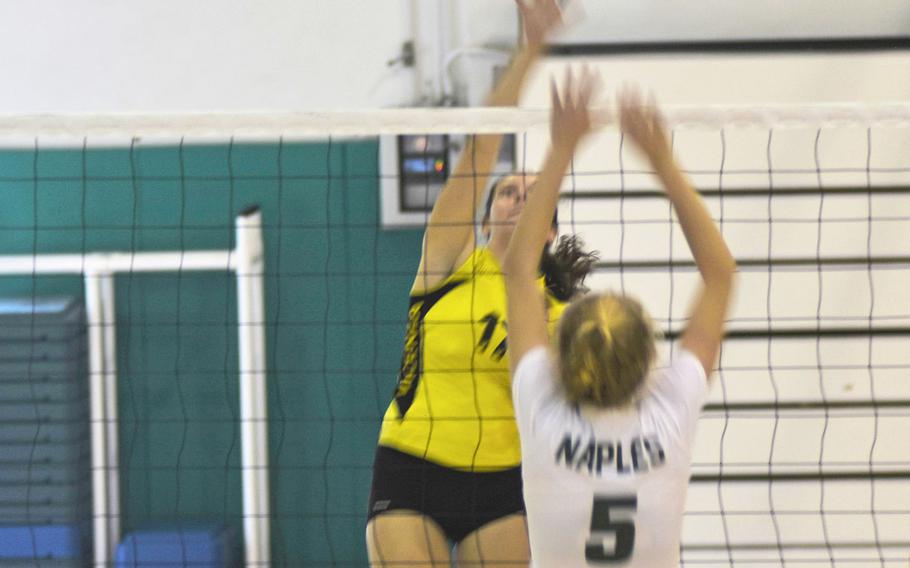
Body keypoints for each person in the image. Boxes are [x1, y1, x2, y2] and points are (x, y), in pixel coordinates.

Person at [366, 2, 599, 566]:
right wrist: (531, 49)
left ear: (549, 227)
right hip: (411, 461)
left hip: (500, 484)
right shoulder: (450, 263)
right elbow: (479, 151)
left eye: (531, 193)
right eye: (507, 193)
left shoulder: (560, 314)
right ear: (489, 213)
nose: (518, 197)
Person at [502, 72, 737, 567]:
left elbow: (520, 271)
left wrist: (561, 146)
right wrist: (661, 160)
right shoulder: (669, 415)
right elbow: (722, 276)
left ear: (561, 356)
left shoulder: (542, 410)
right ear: (648, 357)